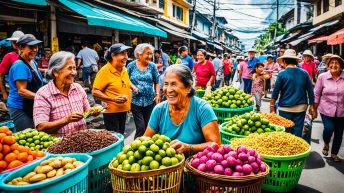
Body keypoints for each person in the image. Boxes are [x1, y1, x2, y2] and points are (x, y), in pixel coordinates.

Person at [144, 64, 220, 154]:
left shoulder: (202, 109)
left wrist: (189, 148)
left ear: (188, 87)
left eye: (174, 84)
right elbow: (145, 141)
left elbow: (216, 145)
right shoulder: (159, 110)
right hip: (169, 166)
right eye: (166, 84)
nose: (168, 90)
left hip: (195, 164)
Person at [33, 51, 97, 135]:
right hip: (59, 144)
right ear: (56, 72)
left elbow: (87, 111)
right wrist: (66, 120)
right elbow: (41, 127)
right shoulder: (43, 94)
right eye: (69, 68)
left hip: (82, 140)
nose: (74, 73)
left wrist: (93, 111)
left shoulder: (78, 88)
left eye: (74, 68)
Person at [270, 49, 315, 137]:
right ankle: (298, 149)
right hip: (300, 108)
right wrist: (312, 106)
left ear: (284, 61)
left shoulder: (282, 74)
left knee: (286, 133)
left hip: (284, 108)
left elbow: (275, 92)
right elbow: (310, 91)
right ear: (296, 61)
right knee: (297, 132)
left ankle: (287, 149)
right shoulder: (304, 73)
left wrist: (272, 106)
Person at [92, 43, 132, 134]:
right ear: (113, 55)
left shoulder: (123, 69)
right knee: (115, 140)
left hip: (123, 110)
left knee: (120, 136)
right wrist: (113, 99)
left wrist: (132, 87)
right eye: (123, 54)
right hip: (111, 112)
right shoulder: (105, 71)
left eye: (126, 53)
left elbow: (124, 81)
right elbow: (95, 91)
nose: (126, 57)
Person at [7, 34, 44, 131]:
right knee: (27, 136)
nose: (35, 50)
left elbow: (39, 80)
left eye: (36, 47)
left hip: (30, 105)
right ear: (21, 48)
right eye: (31, 47)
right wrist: (43, 98)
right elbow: (22, 91)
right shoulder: (20, 66)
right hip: (20, 108)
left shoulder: (32, 62)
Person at [313, 55, 344, 162]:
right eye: (332, 63)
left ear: (341, 66)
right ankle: (326, 143)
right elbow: (317, 94)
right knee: (329, 128)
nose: (334, 65)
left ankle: (334, 154)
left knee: (339, 133)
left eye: (337, 63)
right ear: (328, 65)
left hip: (342, 111)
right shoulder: (322, 77)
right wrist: (314, 109)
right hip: (326, 109)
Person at [127, 43, 160, 139]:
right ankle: (135, 147)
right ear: (138, 54)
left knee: (148, 127)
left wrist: (157, 94)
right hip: (135, 101)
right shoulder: (131, 66)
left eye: (151, 54)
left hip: (150, 101)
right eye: (147, 53)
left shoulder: (152, 66)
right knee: (140, 127)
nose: (150, 56)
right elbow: (125, 79)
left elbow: (157, 81)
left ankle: (145, 148)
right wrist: (132, 86)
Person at [0, 31, 24, 102]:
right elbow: (0, 76)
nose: (16, 43)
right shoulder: (9, 56)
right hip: (12, 90)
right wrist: (4, 94)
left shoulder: (27, 55)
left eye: (17, 41)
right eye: (14, 42)